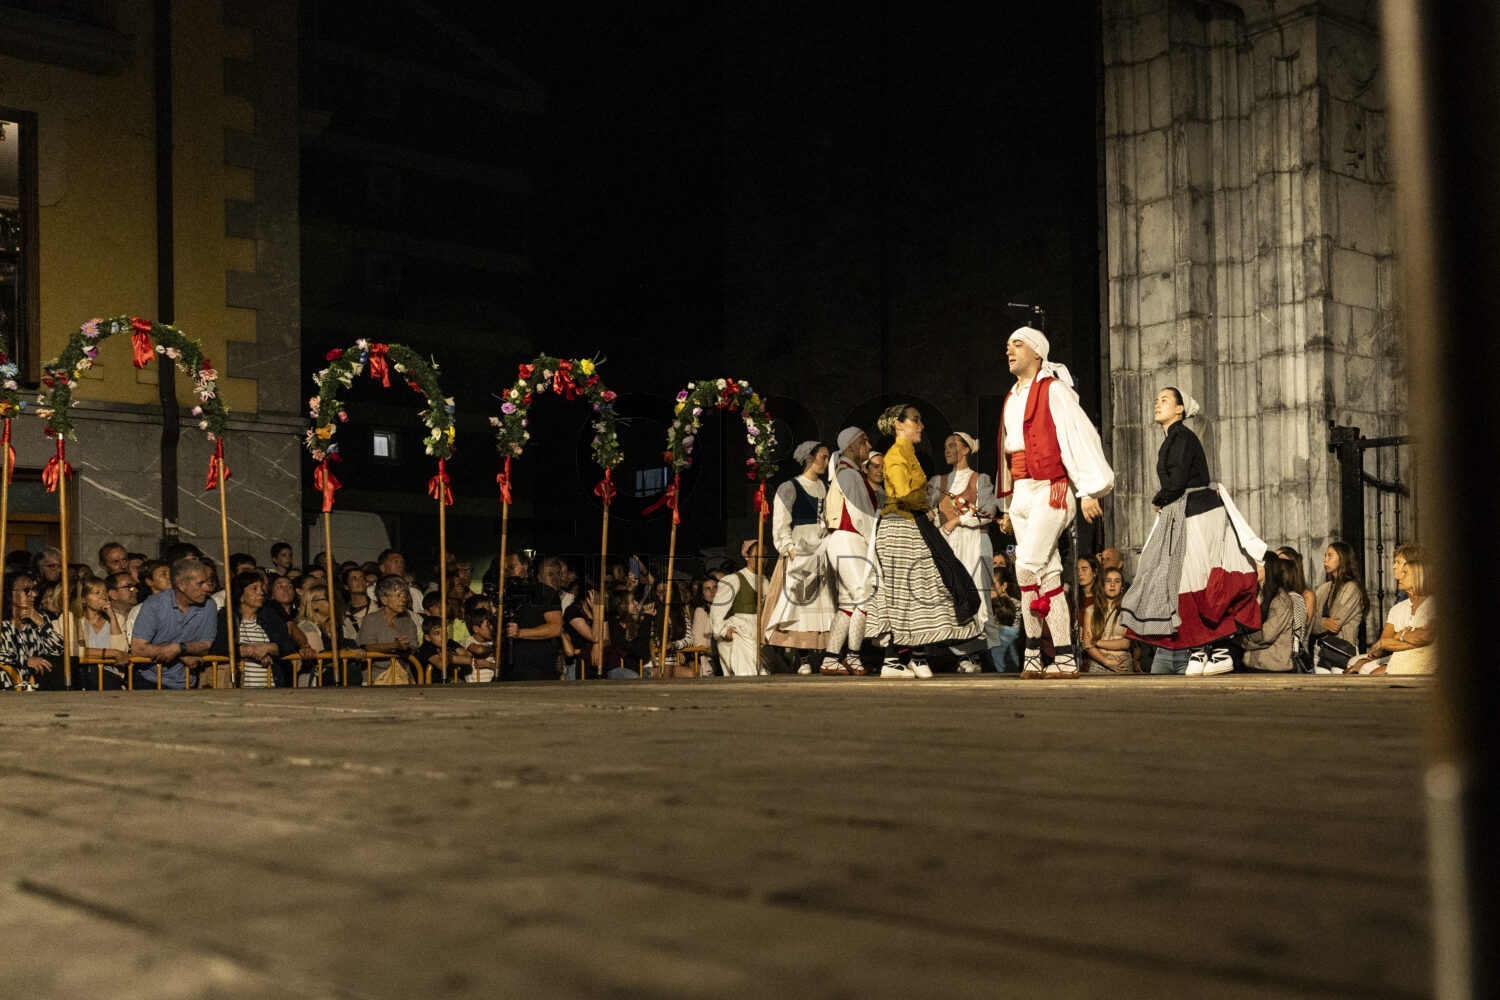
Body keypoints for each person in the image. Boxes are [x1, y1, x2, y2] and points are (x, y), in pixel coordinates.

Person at [1119, 386, 1265, 675]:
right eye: (1156, 400)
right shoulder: (1173, 438)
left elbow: (1177, 482)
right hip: (1187, 511)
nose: (1157, 404)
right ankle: (1200, 648)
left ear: (1180, 409)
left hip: (1197, 511)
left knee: (1197, 580)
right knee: (1185, 581)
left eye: (1164, 400)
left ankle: (1218, 649)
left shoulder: (1181, 437)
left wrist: (1160, 499)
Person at [996, 327, 1114, 678]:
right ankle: (1062, 656)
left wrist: (1088, 489)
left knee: (1025, 566)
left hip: (1051, 489)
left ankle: (1033, 651)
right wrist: (1008, 505)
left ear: (1037, 352)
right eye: (1007, 345)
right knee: (1047, 576)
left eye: (1017, 344)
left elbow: (1077, 437)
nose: (1009, 350)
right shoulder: (1011, 396)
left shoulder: (1054, 390)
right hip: (1022, 492)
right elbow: (1008, 453)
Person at [867, 404, 983, 678]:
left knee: (924, 587)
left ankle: (911, 657)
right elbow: (904, 492)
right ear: (899, 425)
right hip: (900, 525)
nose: (921, 426)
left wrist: (925, 509)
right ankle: (896, 659)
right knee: (905, 590)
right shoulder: (895, 455)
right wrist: (927, 508)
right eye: (915, 420)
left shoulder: (908, 454)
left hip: (913, 524)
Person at [928, 431, 1002, 673]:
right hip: (948, 544)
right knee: (950, 597)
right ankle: (960, 654)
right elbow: (929, 512)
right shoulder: (938, 482)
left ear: (966, 450)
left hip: (974, 540)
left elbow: (988, 512)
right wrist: (933, 517)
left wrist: (958, 520)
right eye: (945, 447)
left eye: (952, 445)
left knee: (977, 594)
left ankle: (977, 653)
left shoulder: (980, 480)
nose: (947, 450)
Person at [765, 440, 835, 673]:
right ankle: (803, 657)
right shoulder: (790, 487)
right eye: (823, 457)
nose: (826, 462)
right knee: (799, 604)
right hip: (801, 547)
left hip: (821, 547)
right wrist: (789, 548)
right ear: (809, 458)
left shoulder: (825, 487)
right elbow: (781, 523)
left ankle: (824, 656)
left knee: (823, 602)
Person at [822, 426, 877, 675]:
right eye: (864, 442)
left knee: (848, 603)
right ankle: (853, 656)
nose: (868, 446)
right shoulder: (851, 475)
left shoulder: (846, 473)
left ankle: (830, 658)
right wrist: (873, 542)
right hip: (850, 538)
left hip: (843, 539)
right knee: (864, 596)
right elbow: (862, 515)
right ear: (851, 446)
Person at [130, 556, 221, 689]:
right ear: (182, 585)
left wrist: (179, 648)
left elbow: (206, 645)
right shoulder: (155, 604)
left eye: (207, 582)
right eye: (200, 583)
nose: (207, 588)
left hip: (187, 682)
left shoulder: (209, 605)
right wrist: (179, 654)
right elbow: (138, 648)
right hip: (150, 681)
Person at [1347, 544, 1435, 675]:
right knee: (1355, 663)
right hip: (1400, 655)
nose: (1394, 567)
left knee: (1369, 669)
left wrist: (1400, 635)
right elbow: (1385, 642)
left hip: (1419, 658)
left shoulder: (1432, 604)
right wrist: (1407, 637)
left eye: (1398, 563)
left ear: (1416, 572)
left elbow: (1426, 636)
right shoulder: (1398, 607)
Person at [211, 571, 306, 687]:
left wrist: (270, 648)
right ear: (240, 595)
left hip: (271, 687)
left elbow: (288, 643)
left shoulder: (269, 615)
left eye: (261, 588)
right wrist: (247, 650)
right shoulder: (226, 617)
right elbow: (216, 647)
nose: (261, 592)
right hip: (239, 688)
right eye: (254, 589)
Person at [710, 540, 766, 677]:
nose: (762, 560)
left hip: (760, 631)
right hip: (741, 631)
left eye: (765, 556)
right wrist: (723, 631)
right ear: (747, 556)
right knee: (746, 672)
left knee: (763, 674)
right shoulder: (734, 579)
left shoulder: (765, 581)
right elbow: (716, 611)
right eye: (757, 556)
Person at [501, 558, 562, 682]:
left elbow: (555, 628)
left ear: (525, 566)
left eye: (512, 567)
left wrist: (520, 633)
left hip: (537, 668)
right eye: (505, 569)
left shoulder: (545, 592)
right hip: (508, 667)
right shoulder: (506, 595)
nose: (508, 572)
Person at [1, 571, 65, 690]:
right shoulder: (2, 622)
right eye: (27, 590)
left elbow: (58, 650)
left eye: (34, 590)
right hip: (6, 686)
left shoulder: (40, 618)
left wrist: (40, 622)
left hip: (34, 685)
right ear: (10, 593)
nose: (34, 594)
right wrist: (24, 660)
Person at [1237, 557, 1301, 673]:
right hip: (1252, 664)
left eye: (1257, 565)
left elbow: (1266, 636)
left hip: (1274, 668)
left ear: (1268, 568)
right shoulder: (1255, 595)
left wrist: (1243, 640)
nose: (1253, 568)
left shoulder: (1281, 601)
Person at [356, 574, 420, 685]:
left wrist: (406, 647)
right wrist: (394, 646)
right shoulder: (370, 620)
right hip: (374, 677)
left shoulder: (408, 621)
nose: (403, 600)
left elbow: (414, 646)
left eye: (404, 595)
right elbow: (367, 647)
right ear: (384, 599)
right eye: (398, 596)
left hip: (402, 676)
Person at [70, 575, 130, 689]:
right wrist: (111, 653)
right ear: (84, 599)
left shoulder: (118, 619)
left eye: (105, 592)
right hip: (83, 679)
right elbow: (74, 650)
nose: (103, 596)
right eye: (96, 593)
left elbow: (122, 650)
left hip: (111, 678)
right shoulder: (73, 620)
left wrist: (112, 617)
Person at [1312, 540, 1370, 649]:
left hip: (1341, 651)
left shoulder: (1351, 588)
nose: (1325, 560)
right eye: (1325, 556)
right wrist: (1323, 623)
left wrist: (1318, 622)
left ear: (1342, 559)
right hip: (1319, 650)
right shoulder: (1324, 588)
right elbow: (1308, 620)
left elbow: (1336, 622)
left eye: (1330, 556)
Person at [1083, 567, 1134, 673]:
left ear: (1122, 586)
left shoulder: (1128, 611)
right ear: (1102, 585)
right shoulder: (1090, 611)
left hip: (1122, 662)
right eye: (1108, 580)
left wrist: (1096, 642)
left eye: (1117, 581)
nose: (1112, 585)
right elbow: (1087, 645)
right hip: (1098, 661)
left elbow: (1125, 643)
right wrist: (1106, 661)